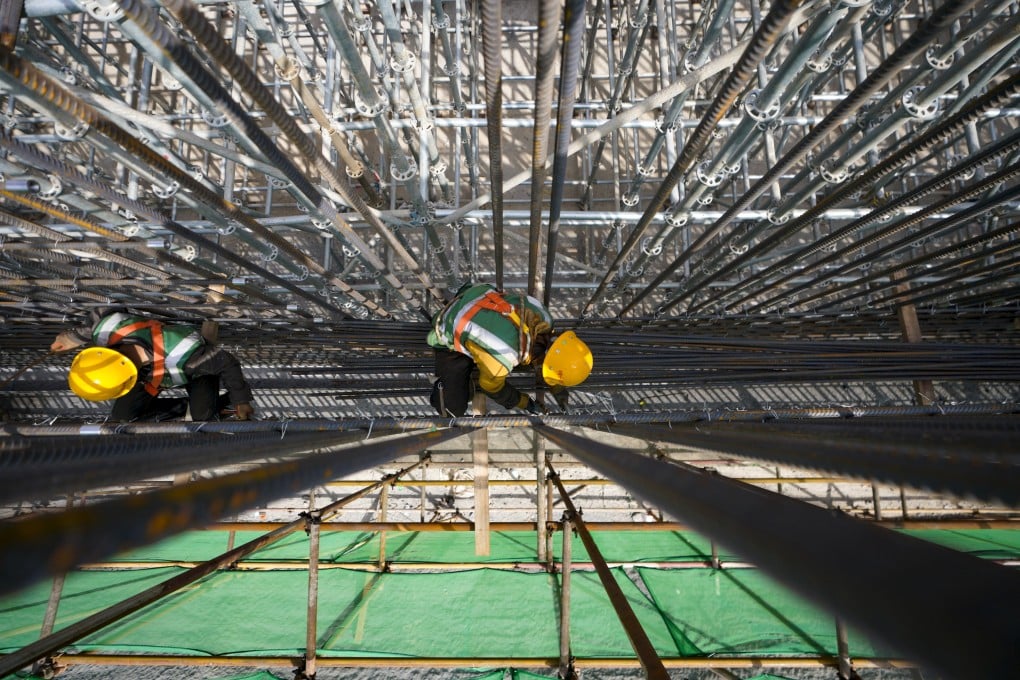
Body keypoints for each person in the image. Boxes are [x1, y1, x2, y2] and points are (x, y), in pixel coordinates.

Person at [51, 309, 255, 422]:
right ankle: (185, 406)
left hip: (196, 373)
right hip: (155, 374)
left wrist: (241, 399)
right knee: (122, 415)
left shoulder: (185, 354)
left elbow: (227, 363)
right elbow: (106, 311)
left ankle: (224, 402)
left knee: (202, 416)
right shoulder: (106, 332)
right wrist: (74, 337)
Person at [427, 282, 592, 416]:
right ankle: (450, 382)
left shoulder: (545, 317)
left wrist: (559, 390)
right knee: (451, 410)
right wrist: (525, 403)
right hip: (449, 324)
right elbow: (492, 388)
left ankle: (475, 348)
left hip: (477, 294)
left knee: (518, 359)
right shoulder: (502, 356)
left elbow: (551, 355)